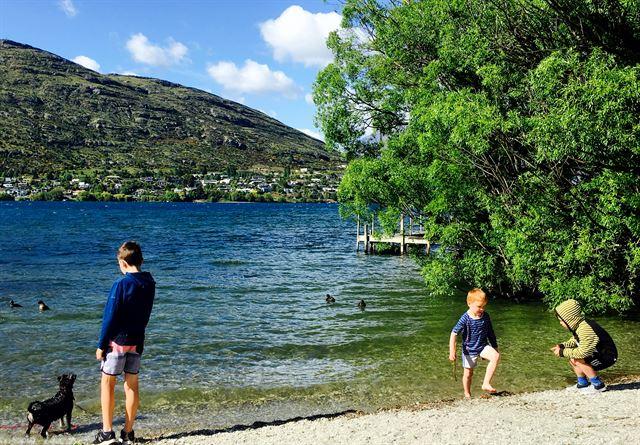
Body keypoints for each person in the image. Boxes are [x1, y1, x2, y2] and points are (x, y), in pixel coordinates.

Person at [93, 241, 155, 445]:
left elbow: (109, 317)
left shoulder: (121, 284)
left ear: (122, 263)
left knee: (107, 383)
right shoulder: (149, 282)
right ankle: (128, 432)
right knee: (132, 385)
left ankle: (107, 432)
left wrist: (101, 345)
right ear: (142, 261)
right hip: (137, 341)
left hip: (117, 341)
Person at [550, 299, 617, 392]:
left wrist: (562, 352)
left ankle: (599, 386)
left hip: (608, 356)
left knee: (578, 359)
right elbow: (576, 339)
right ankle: (583, 384)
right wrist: (563, 345)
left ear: (570, 319)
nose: (560, 323)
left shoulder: (585, 329)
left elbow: (583, 352)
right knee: (572, 358)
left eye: (561, 320)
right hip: (598, 352)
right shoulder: (580, 325)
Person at [449, 288, 500, 398]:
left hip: (482, 346)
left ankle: (486, 383)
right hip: (469, 350)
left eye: (483, 306)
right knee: (468, 374)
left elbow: (491, 333)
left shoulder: (485, 316)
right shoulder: (465, 318)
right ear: (469, 304)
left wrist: (495, 347)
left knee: (495, 356)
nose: (482, 309)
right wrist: (452, 351)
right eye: (479, 306)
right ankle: (467, 393)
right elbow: (454, 333)